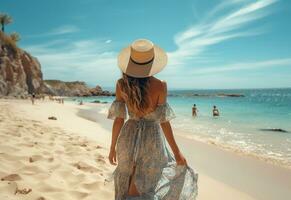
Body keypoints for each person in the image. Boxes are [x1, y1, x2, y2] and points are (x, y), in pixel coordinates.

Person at [106, 39, 198, 199]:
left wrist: (112, 146)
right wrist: (177, 152)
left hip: (128, 137)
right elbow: (164, 121)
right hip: (152, 139)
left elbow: (119, 120)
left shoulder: (122, 84)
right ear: (152, 63)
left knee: (127, 179)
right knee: (146, 183)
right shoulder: (160, 85)